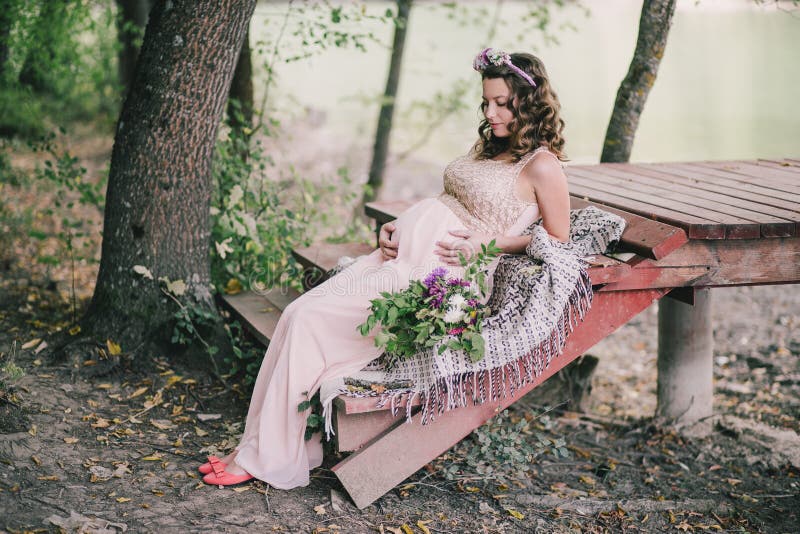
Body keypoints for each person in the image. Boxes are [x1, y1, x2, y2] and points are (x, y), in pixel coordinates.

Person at [199, 48, 571, 487]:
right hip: (398, 258)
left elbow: (557, 241)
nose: (490, 112)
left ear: (528, 104)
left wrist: (493, 243)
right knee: (298, 314)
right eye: (486, 102)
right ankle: (259, 446)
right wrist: (399, 225)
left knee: (308, 322)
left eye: (502, 104)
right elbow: (449, 201)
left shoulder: (542, 166)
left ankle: (266, 456)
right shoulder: (491, 146)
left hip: (437, 278)